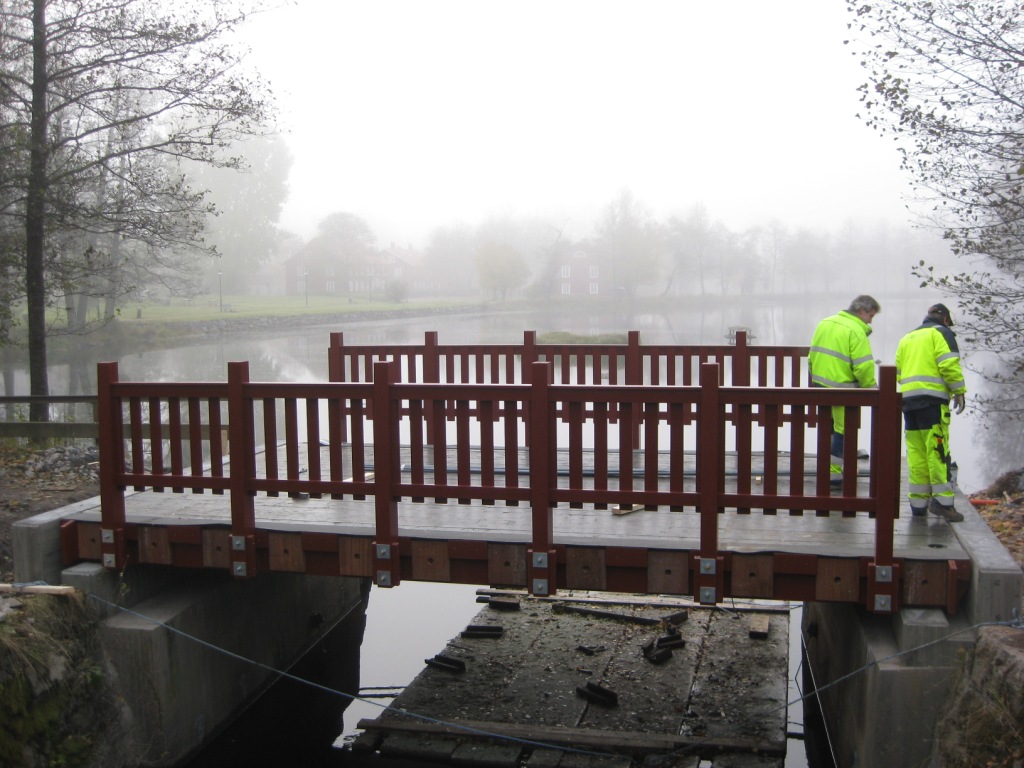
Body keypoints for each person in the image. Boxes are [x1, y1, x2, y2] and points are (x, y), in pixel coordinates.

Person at [895, 303, 967, 522]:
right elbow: (948, 365)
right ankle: (943, 504)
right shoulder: (942, 333)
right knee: (937, 451)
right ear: (945, 319)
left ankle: (918, 505)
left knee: (916, 453)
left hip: (908, 402)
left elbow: (899, 371)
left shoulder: (907, 338)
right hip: (932, 402)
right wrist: (959, 391)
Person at [808, 295, 881, 487]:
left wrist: (815, 379)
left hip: (821, 387)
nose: (871, 321)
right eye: (871, 316)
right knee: (843, 431)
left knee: (829, 428)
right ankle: (835, 475)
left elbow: (811, 355)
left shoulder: (825, 323)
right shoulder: (856, 330)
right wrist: (871, 389)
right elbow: (863, 367)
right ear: (862, 310)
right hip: (843, 389)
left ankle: (830, 469)